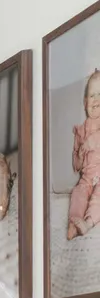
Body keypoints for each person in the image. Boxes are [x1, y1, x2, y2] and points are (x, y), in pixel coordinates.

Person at [68, 69, 100, 240]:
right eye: (92, 95)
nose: (97, 99)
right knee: (78, 193)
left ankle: (88, 222)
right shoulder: (80, 131)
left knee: (99, 198)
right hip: (86, 178)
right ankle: (74, 222)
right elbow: (76, 166)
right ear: (85, 101)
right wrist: (79, 157)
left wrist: (93, 140)